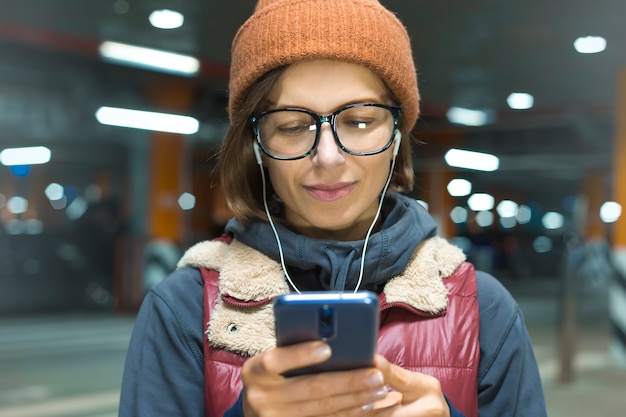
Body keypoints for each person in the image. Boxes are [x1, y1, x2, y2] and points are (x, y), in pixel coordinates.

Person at [119, 0, 548, 416]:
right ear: (257, 146)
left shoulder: (482, 308)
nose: (327, 157)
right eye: (292, 126)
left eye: (360, 122)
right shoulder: (184, 308)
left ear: (396, 135)